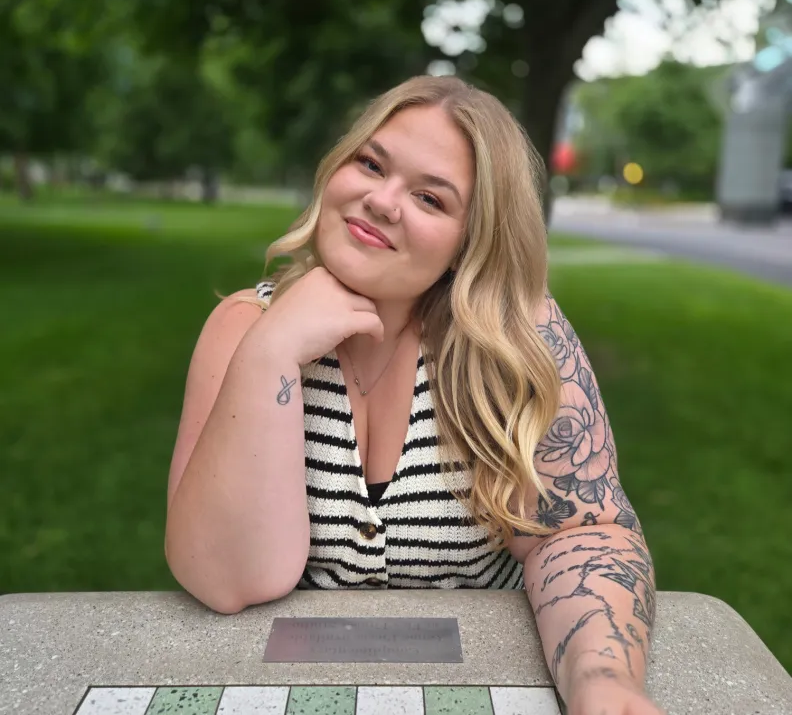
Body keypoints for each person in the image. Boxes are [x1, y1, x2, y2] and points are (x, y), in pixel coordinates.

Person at [164, 76, 662, 715]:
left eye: (430, 198)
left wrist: (603, 682)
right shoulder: (241, 328)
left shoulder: (517, 342)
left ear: (470, 240)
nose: (382, 200)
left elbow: (581, 532)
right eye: (371, 164)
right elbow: (226, 579)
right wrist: (271, 352)